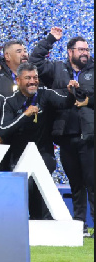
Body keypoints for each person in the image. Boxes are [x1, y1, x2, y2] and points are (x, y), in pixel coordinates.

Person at [30, 28, 93, 235]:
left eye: (87, 49)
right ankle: (80, 224)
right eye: (81, 49)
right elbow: (34, 62)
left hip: (90, 135)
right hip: (65, 134)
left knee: (92, 182)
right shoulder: (56, 69)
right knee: (75, 183)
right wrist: (49, 39)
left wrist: (87, 98)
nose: (85, 53)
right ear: (70, 51)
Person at [0, 63, 78, 219]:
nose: (33, 81)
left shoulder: (45, 93)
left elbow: (64, 103)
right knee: (27, 188)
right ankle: (27, 222)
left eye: (35, 77)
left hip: (44, 154)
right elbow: (3, 129)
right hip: (19, 157)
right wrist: (24, 115)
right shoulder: (10, 101)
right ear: (18, 80)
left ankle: (44, 222)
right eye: (28, 78)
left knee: (38, 185)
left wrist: (71, 93)